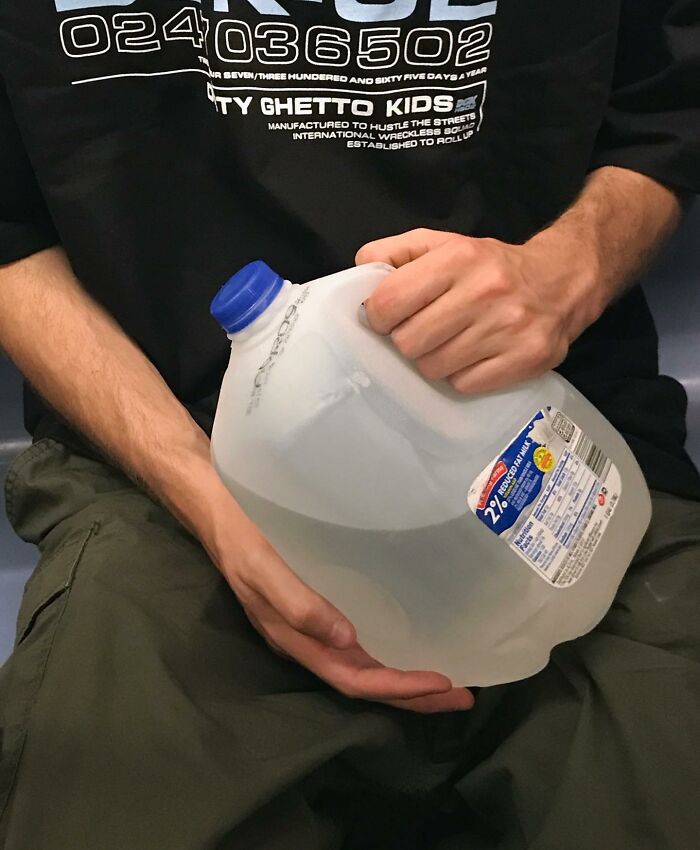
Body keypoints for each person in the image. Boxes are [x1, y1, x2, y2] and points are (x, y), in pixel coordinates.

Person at [1, 0, 699, 847]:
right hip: (162, 458)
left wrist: (565, 270)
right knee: (109, 798)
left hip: (547, 420)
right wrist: (212, 503)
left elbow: (663, 111)